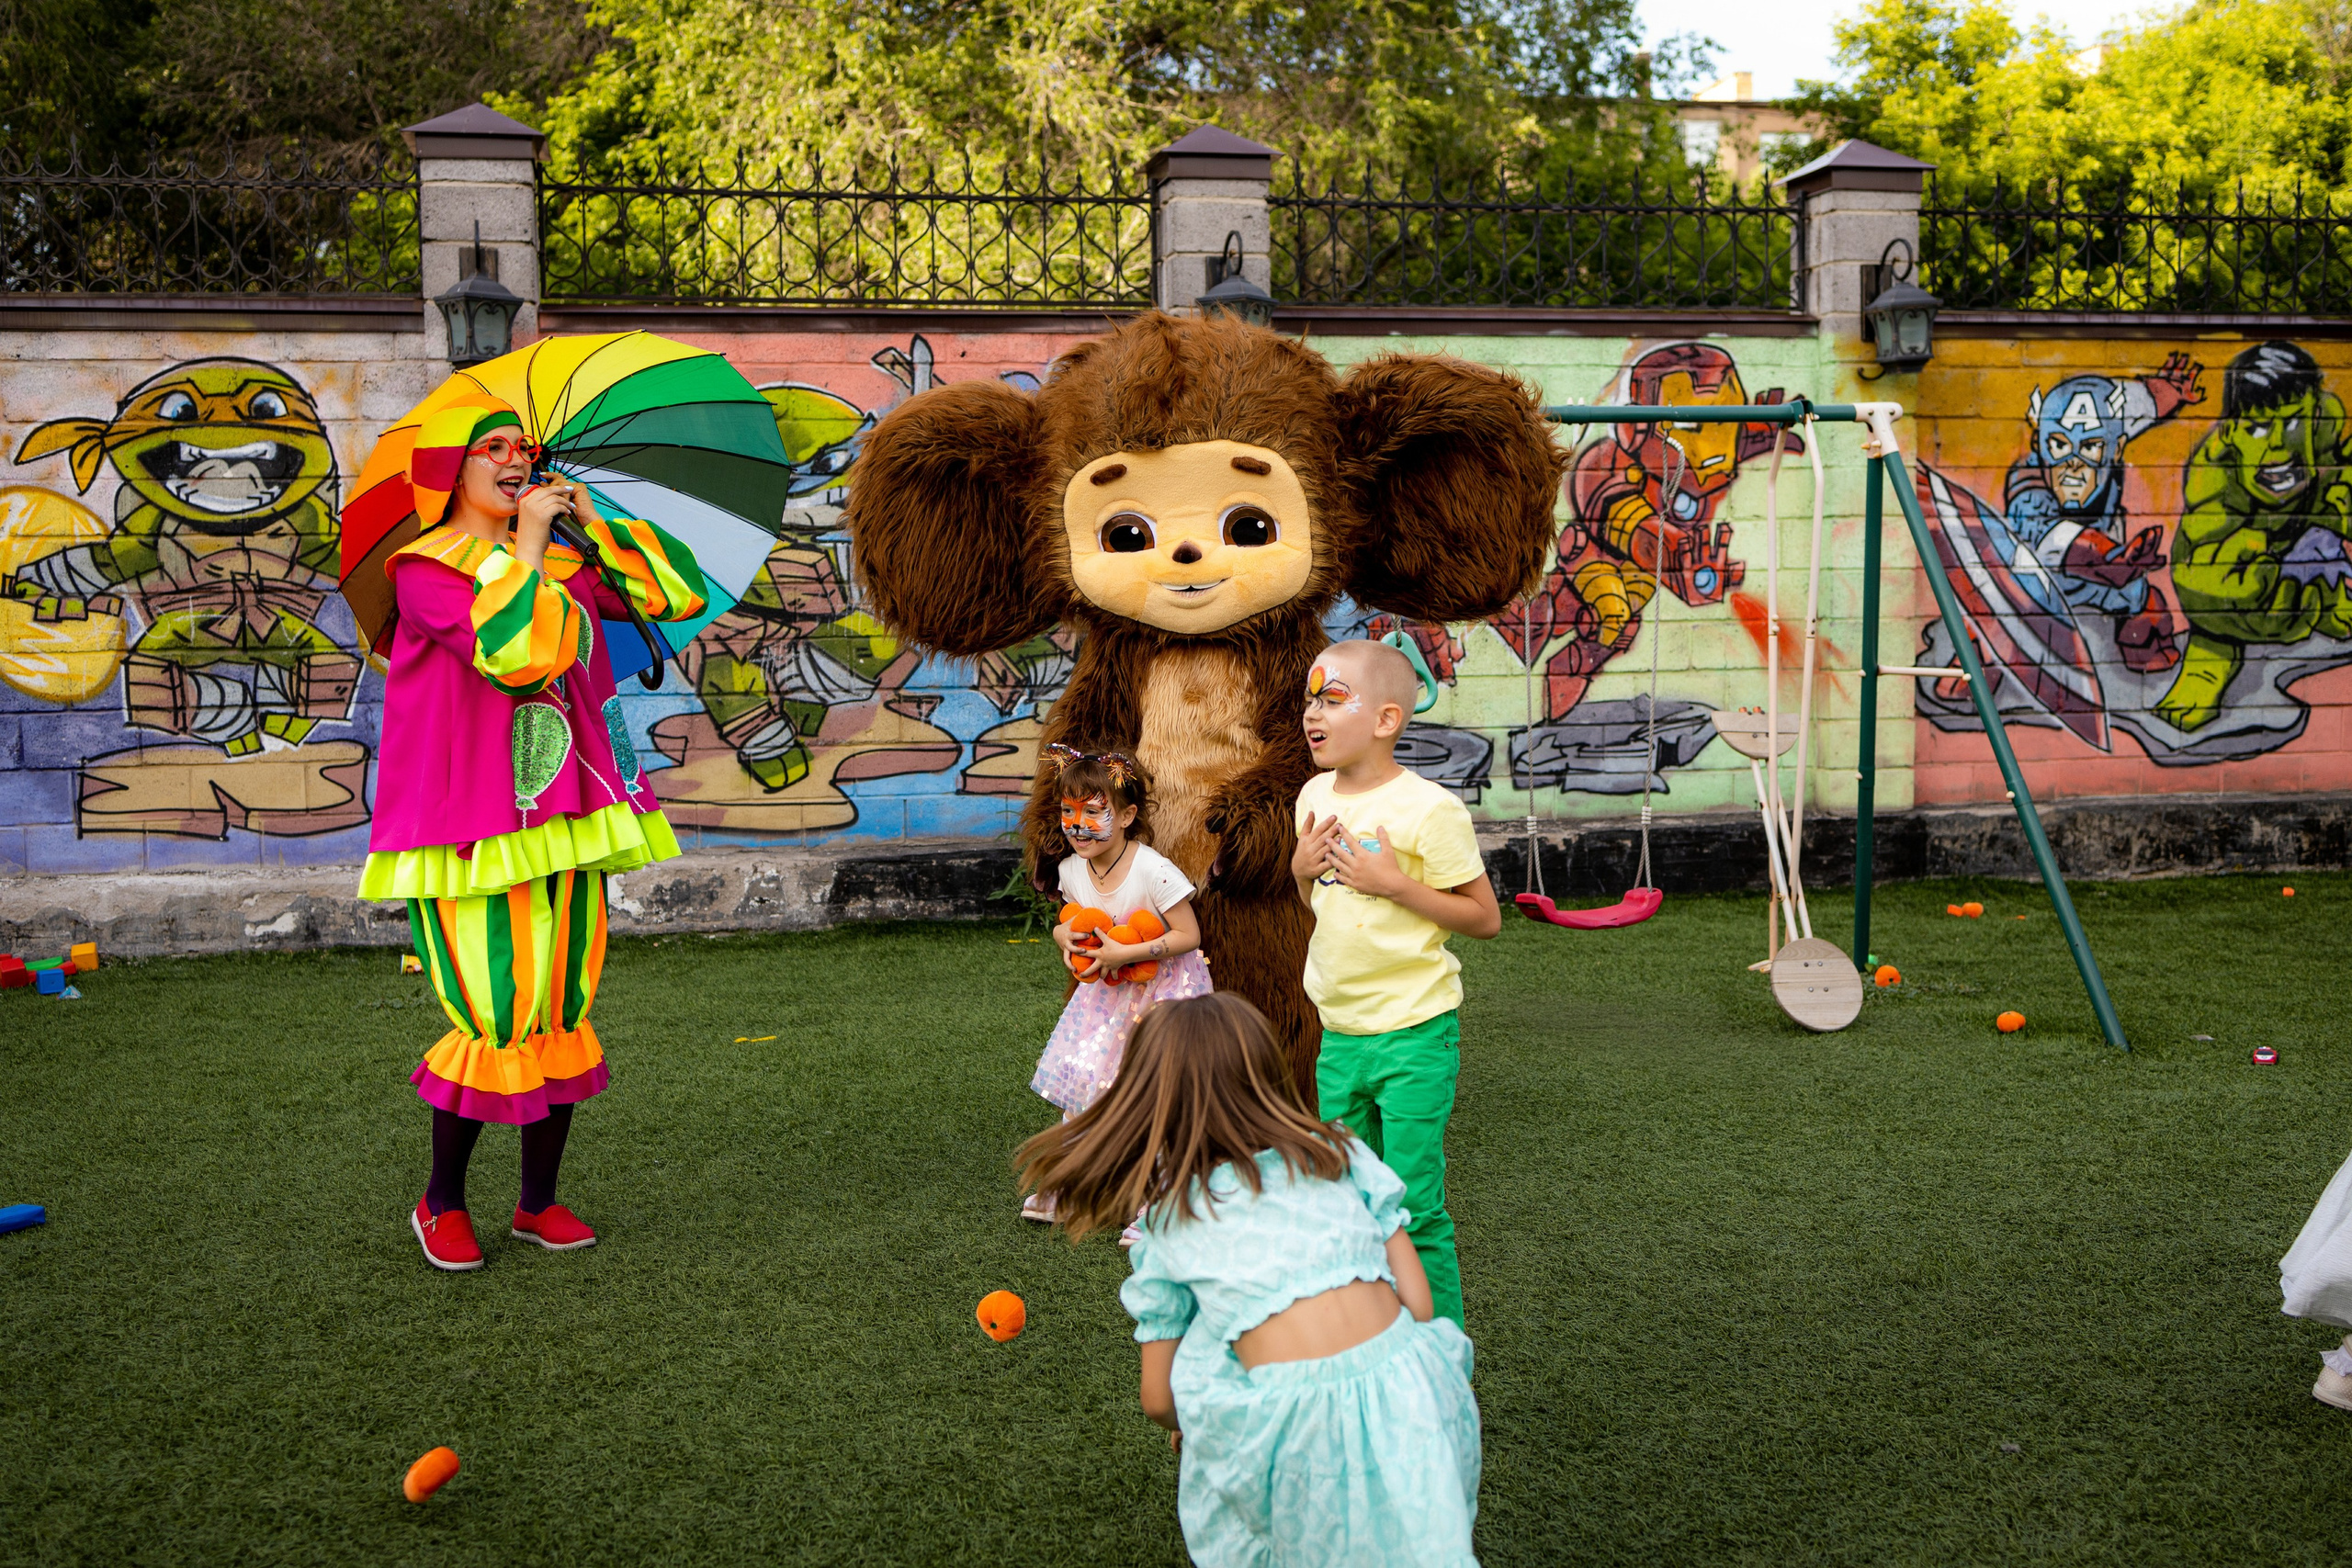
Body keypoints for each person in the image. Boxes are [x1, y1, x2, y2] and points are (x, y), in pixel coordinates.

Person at [357, 400, 707, 1272]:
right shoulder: (425, 570)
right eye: (495, 448)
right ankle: (439, 1203)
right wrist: (526, 551)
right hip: (471, 823)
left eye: (525, 449)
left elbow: (674, 593)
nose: (517, 460)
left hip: (573, 812)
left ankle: (536, 1201)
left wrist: (596, 523)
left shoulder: (557, 555)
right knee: (497, 1011)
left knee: (560, 1005)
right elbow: (511, 653)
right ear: (451, 471)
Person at [1019, 992, 1480, 1568]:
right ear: (1268, 1075)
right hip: (1417, 1394)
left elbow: (1159, 1398)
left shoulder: (1170, 1221)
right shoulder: (1344, 1154)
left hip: (1290, 1432)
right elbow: (1416, 1303)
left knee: (1212, 1354)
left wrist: (1195, 1423)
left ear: (1146, 1103)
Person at [1290, 639, 1501, 1327]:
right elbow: (1319, 905)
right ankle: (1376, 1329)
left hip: (1414, 1034)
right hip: (1340, 1036)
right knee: (1350, 1197)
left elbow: (1483, 918)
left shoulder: (1429, 809)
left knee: (1413, 1201)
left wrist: (1396, 884)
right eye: (1310, 698)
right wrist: (1298, 868)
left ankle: (1441, 1347)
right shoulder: (1312, 795)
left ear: (1385, 720)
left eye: (1332, 697)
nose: (1312, 712)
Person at [1027, 744, 1210, 1226]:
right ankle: (1072, 1185)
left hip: (1164, 996)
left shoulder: (1153, 870)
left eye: (1093, 811)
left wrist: (1127, 953)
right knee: (1085, 1085)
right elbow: (1071, 923)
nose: (1077, 824)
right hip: (1106, 998)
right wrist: (1061, 935)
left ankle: (1162, 1198)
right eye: (1068, 811)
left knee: (1158, 1094)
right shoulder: (1070, 871)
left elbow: (1189, 935)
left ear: (1127, 815)